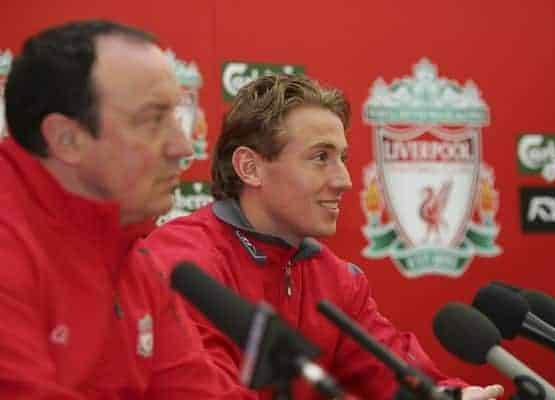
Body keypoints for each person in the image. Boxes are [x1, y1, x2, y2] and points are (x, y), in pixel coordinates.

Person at [144, 73, 504, 399]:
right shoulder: (183, 263)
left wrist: (452, 396)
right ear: (250, 168)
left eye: (342, 158)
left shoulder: (334, 277)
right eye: (320, 157)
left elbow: (395, 374)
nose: (344, 180)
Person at [0, 20, 250, 399]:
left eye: (176, 118)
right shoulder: (10, 244)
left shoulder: (131, 255)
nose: (183, 147)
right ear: (67, 140)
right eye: (153, 120)